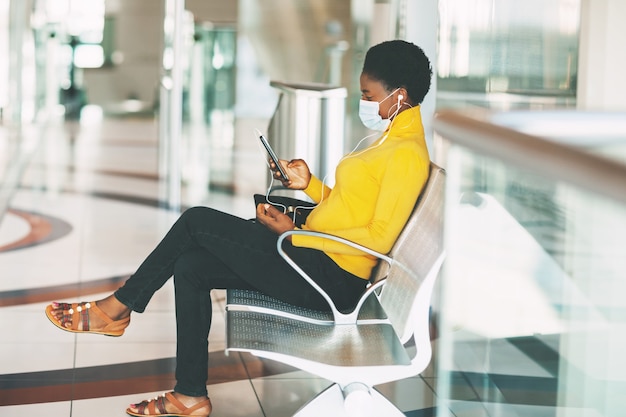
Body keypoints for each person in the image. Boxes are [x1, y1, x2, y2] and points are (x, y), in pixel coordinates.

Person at [45, 39, 432, 417]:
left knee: (197, 220)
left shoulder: (406, 154)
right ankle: (190, 395)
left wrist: (291, 234)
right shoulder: (390, 139)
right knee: (192, 266)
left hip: (329, 278)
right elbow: (354, 208)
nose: (363, 101)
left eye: (368, 93)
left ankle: (118, 308)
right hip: (315, 258)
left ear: (397, 95)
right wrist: (309, 185)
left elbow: (380, 238)